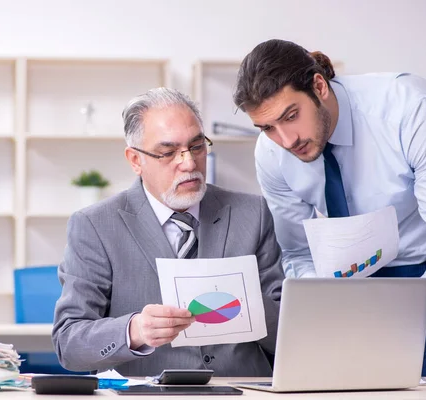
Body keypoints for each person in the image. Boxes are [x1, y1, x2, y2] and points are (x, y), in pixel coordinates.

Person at [233, 39, 426, 376]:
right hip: (344, 285)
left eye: (291, 116)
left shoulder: (411, 108)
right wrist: (327, 300)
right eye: (267, 128)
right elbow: (298, 253)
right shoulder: (271, 152)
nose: (286, 140)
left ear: (319, 86)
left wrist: (417, 301)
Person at [52, 88, 284, 377]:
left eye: (197, 147)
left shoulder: (253, 213)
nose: (188, 163)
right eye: (168, 152)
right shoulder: (95, 225)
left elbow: (290, 333)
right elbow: (68, 343)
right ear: (135, 160)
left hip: (245, 391)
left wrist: (249, 304)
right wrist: (134, 330)